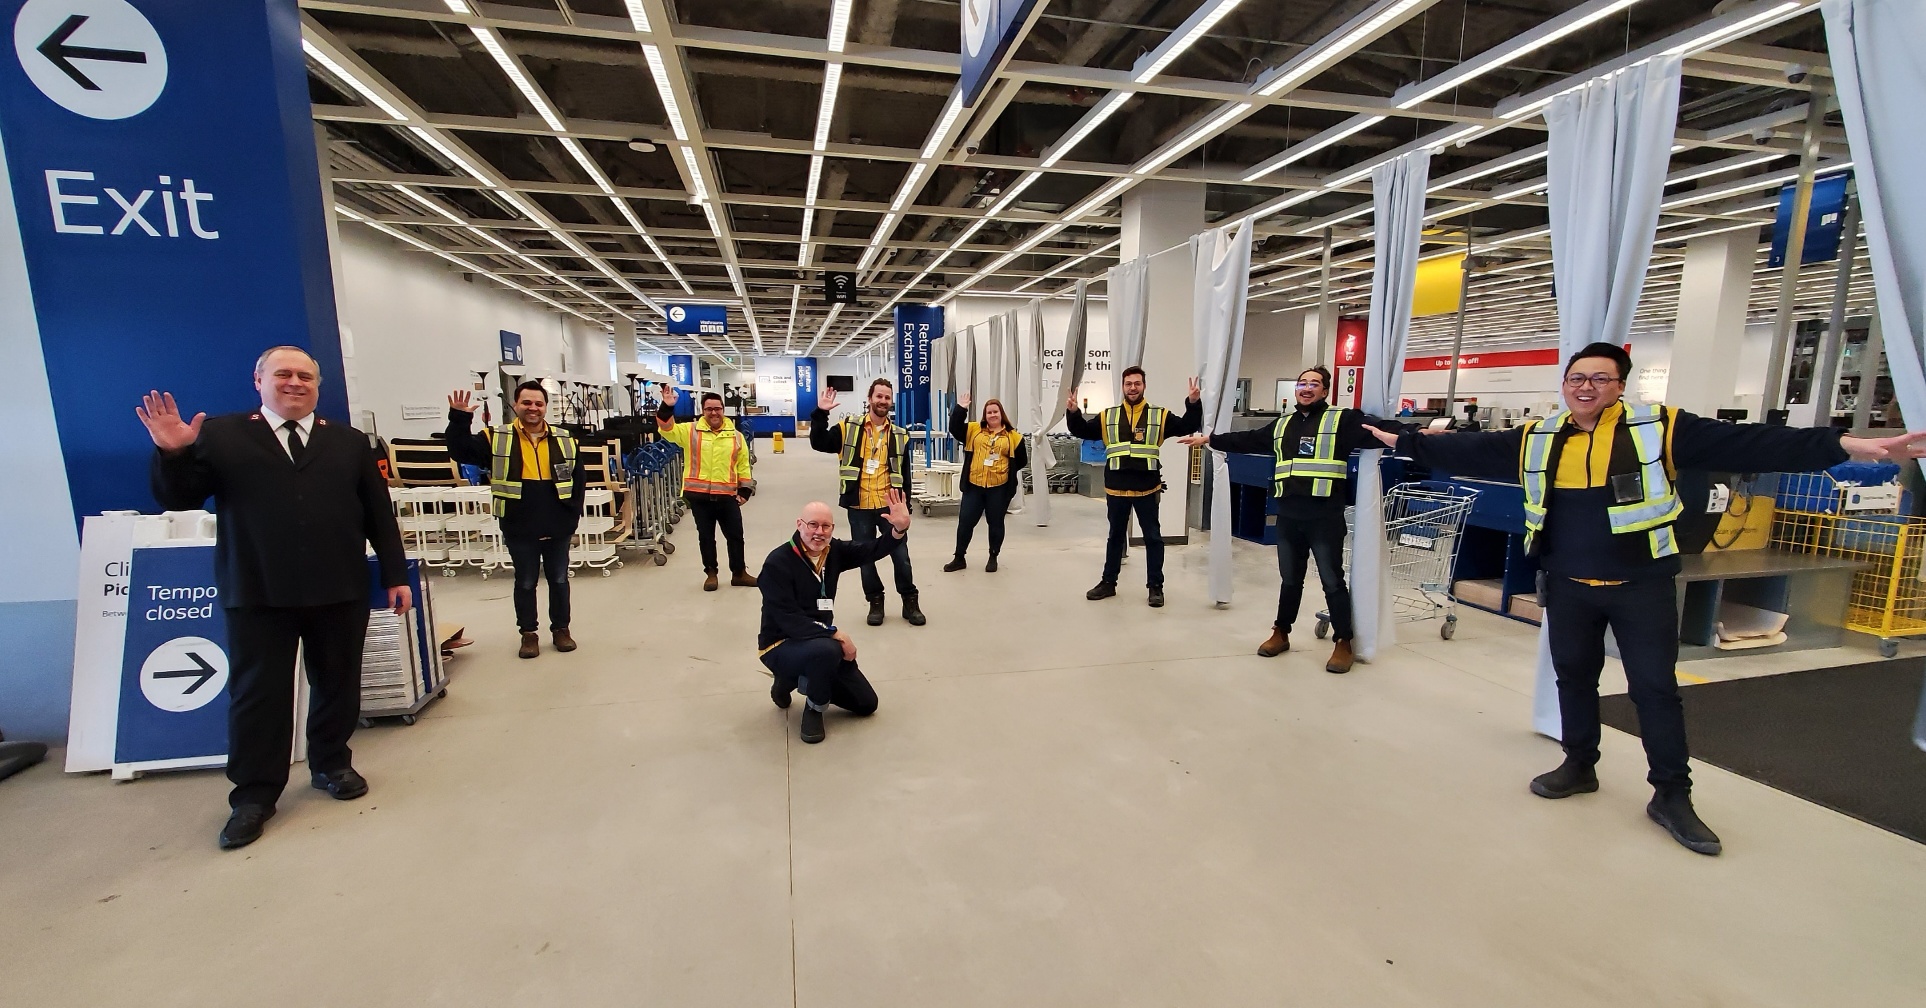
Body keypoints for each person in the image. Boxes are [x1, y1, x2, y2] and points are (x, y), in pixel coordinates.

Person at [1365, 341, 1926, 856]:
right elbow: (1473, 450)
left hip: (1641, 586)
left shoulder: (1661, 427)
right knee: (1574, 680)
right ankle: (1580, 764)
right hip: (1568, 585)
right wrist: (1404, 439)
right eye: (1577, 377)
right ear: (1564, 383)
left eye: (1601, 379)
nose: (1586, 387)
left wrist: (1846, 443)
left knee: (1655, 691)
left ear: (1620, 386)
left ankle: (1671, 796)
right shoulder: (1541, 436)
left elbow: (1755, 440)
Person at [140, 346, 411, 851]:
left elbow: (378, 512)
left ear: (318, 386)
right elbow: (178, 499)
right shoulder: (221, 434)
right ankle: (254, 795)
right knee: (257, 693)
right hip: (258, 588)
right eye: (282, 374)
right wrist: (173, 452)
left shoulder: (348, 442)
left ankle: (332, 763)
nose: (294, 383)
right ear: (258, 381)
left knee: (336, 681)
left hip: (338, 586)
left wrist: (395, 574)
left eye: (305, 376)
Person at [1179, 366, 1392, 672]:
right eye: (1302, 383)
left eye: (1314, 384)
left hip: (1325, 518)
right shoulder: (1282, 426)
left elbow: (1379, 429)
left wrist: (1417, 435)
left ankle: (1344, 641)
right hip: (1289, 517)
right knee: (1290, 579)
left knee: (1332, 581)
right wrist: (1211, 439)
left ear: (1325, 391)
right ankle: (1281, 632)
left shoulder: (1342, 420)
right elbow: (1248, 439)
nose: (1306, 388)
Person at [445, 382, 589, 659]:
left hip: (557, 524)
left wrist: (572, 514)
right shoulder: (496, 437)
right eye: (527, 403)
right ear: (516, 405)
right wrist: (459, 418)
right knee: (525, 581)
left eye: (538, 403)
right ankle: (529, 634)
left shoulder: (565, 438)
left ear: (545, 407)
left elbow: (578, 479)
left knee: (559, 579)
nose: (533, 408)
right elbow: (460, 451)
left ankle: (561, 630)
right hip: (518, 524)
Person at [758, 494, 913, 743]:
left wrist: (898, 530)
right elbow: (786, 618)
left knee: (865, 704)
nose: (819, 532)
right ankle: (814, 708)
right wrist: (834, 634)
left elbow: (869, 550)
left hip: (819, 643)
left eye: (826, 526)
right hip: (781, 644)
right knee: (828, 650)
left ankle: (789, 680)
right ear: (799, 524)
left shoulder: (833, 552)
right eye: (813, 525)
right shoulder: (778, 563)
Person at [1065, 366, 1203, 608]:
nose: (1132, 388)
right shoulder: (1108, 416)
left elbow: (1185, 425)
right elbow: (1082, 430)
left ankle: (1155, 587)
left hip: (1147, 488)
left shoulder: (1159, 416)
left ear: (1144, 386)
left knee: (1153, 538)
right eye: (1128, 384)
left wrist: (1193, 402)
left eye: (1137, 383)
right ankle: (1108, 583)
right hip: (1116, 488)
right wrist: (1074, 412)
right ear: (1122, 387)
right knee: (1115, 537)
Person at [809, 378, 925, 627]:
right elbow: (818, 443)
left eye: (887, 397)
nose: (882, 401)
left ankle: (909, 600)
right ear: (869, 398)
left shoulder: (900, 435)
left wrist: (906, 507)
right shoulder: (849, 427)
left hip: (889, 507)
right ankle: (875, 601)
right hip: (859, 506)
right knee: (865, 557)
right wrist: (820, 413)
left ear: (890, 402)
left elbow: (904, 474)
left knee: (901, 554)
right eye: (879, 396)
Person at [656, 387, 757, 591]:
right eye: (709, 409)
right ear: (703, 411)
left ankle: (739, 573)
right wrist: (667, 406)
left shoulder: (736, 436)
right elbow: (666, 429)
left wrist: (745, 490)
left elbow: (743, 464)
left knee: (736, 536)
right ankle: (711, 573)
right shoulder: (690, 431)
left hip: (727, 496)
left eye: (717, 408)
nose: (714, 413)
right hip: (699, 496)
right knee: (706, 538)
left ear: (723, 410)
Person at [944, 394, 1029, 573]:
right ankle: (959, 557)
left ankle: (993, 556)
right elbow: (954, 428)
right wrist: (961, 409)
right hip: (974, 486)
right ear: (985, 415)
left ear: (1001, 414)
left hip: (998, 489)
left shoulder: (1014, 437)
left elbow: (1021, 460)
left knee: (996, 523)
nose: (992, 415)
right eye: (989, 412)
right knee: (965, 522)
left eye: (995, 411)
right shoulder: (974, 430)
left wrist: (1002, 470)